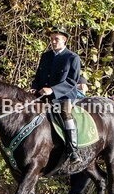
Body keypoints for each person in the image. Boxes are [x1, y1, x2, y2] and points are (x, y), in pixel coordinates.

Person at [31, 27, 82, 161]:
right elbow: (38, 75)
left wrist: (53, 90)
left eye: (56, 39)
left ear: (64, 40)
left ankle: (73, 150)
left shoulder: (72, 57)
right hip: (43, 95)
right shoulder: (46, 56)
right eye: (51, 39)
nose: (53, 41)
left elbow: (72, 81)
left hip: (64, 96)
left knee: (66, 114)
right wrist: (34, 87)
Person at [66, 75, 94, 194]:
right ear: (82, 86)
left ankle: (74, 193)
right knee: (87, 166)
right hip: (82, 135)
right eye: (87, 85)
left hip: (71, 137)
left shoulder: (65, 96)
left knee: (77, 168)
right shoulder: (81, 98)